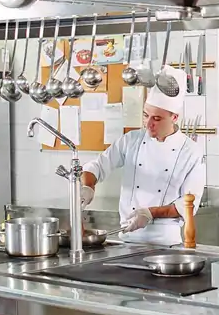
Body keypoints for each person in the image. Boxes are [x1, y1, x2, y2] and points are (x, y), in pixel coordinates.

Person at [79, 66, 204, 245]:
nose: (148, 124)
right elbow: (98, 166)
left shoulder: (191, 152)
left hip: (166, 244)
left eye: (157, 118)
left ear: (174, 117)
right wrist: (88, 186)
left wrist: (150, 213)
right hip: (128, 239)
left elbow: (188, 204)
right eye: (146, 115)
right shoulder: (132, 140)